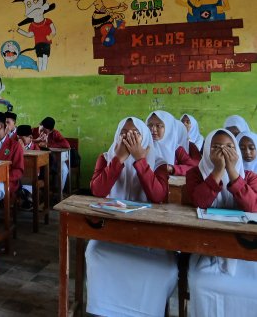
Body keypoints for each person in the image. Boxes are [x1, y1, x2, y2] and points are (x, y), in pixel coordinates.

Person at [86, 117, 176, 317]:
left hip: (147, 231)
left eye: (135, 134)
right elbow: (98, 190)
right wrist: (118, 160)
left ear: (144, 137)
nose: (128, 138)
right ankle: (107, 309)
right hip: (112, 228)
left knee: (163, 268)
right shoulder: (106, 157)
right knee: (96, 254)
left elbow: (158, 196)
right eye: (123, 134)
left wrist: (140, 160)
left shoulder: (159, 163)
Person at [185, 129, 257, 316]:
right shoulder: (195, 174)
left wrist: (232, 171)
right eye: (216, 147)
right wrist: (217, 171)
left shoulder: (250, 177)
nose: (223, 152)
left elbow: (252, 207)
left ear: (237, 152)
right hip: (207, 246)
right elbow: (199, 202)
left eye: (229, 147)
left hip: (244, 248)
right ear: (206, 151)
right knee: (200, 281)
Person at [146, 110, 197, 176]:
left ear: (168, 128)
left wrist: (172, 168)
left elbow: (192, 167)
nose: (153, 129)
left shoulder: (176, 148)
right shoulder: (143, 145)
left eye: (158, 126)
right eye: (150, 125)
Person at [33, 117, 70, 189]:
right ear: (40, 125)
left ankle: (59, 192)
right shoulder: (33, 131)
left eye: (46, 131)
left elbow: (66, 145)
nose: (43, 133)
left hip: (52, 161)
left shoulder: (54, 133)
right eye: (42, 130)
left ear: (51, 130)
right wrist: (36, 141)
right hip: (36, 160)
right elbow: (24, 142)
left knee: (64, 169)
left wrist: (48, 144)